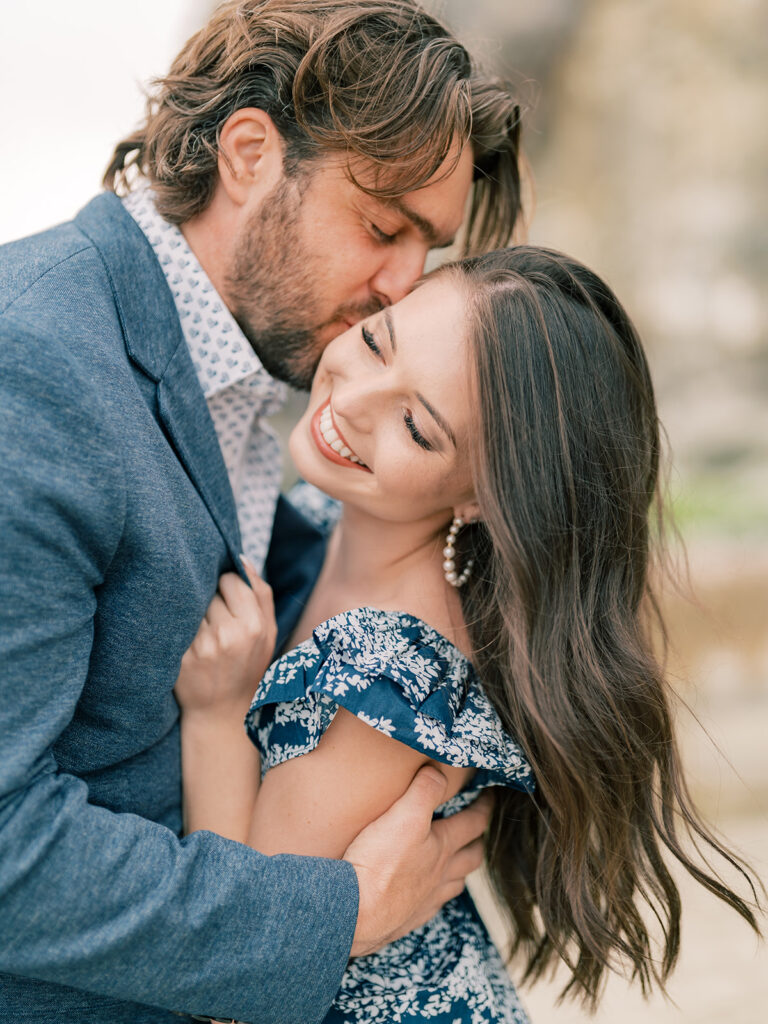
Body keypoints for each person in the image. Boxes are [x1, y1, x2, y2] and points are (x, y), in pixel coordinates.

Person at [0, 3, 525, 1022]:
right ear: (249, 154)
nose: (402, 285)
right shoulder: (35, 370)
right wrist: (337, 912)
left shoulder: (248, 381)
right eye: (383, 227)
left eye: (428, 247)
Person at [174, 246, 761, 1023]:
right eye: (379, 340)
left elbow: (239, 971)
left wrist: (216, 712)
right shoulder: (323, 523)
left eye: (417, 427)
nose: (355, 402)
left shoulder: (387, 671)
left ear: (482, 499)